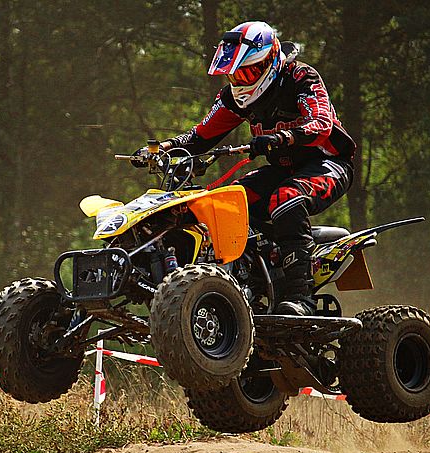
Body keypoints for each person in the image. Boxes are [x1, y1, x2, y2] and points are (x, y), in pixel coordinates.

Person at [143, 20, 356, 316]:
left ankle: (301, 299)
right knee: (227, 202)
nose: (240, 82)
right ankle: (246, 286)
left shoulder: (301, 77)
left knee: (286, 197)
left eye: (246, 72)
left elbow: (321, 124)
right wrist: (165, 148)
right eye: (234, 75)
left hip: (327, 164)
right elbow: (199, 137)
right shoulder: (235, 97)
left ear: (269, 60)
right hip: (282, 169)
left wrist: (283, 137)